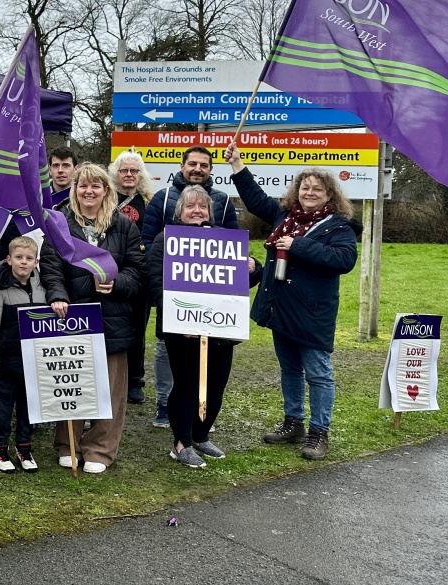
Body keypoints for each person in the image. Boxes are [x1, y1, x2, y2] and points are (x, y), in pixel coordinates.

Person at [224, 143, 357, 460]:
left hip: (312, 314)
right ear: (297, 191)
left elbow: (343, 259)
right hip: (280, 308)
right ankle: (293, 422)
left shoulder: (339, 226)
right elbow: (255, 200)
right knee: (290, 371)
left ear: (329, 195)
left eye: (317, 189)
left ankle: (318, 432)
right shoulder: (284, 215)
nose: (310, 193)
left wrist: (297, 246)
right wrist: (237, 165)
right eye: (305, 187)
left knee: (319, 374)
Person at [40, 163, 145, 474]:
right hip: (74, 317)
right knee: (72, 381)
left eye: (96, 186)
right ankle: (67, 444)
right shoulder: (59, 225)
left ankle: (100, 447)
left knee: (111, 388)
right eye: (83, 186)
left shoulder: (124, 227)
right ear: (75, 190)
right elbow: (50, 267)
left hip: (113, 318)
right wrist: (58, 296)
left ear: (106, 191)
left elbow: (138, 272)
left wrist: (118, 283)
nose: (89, 191)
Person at [147, 186, 260, 468]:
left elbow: (241, 283)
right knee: (185, 386)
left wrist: (253, 267)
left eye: (202, 206)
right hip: (182, 331)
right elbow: (153, 284)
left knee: (215, 387)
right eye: (190, 206)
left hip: (220, 331)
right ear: (180, 212)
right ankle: (181, 443)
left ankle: (200, 436)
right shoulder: (166, 240)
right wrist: (179, 318)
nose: (197, 211)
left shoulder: (224, 240)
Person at [139, 146, 239, 414]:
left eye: (204, 165)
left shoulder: (223, 200)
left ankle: (199, 412)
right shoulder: (161, 198)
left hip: (211, 290)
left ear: (210, 170)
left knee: (207, 354)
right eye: (192, 163)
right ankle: (164, 403)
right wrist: (161, 274)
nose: (197, 169)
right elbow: (148, 241)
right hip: (173, 289)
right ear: (182, 166)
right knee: (166, 350)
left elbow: (232, 244)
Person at [0, 236, 53, 474]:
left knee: (28, 408)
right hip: (6, 362)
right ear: (9, 259)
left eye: (29, 259)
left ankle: (24, 446)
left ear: (36, 262)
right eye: (19, 258)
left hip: (34, 362)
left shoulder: (43, 288)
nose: (23, 263)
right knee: (2, 409)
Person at [108, 151, 161, 418]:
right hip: (109, 273)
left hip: (139, 275)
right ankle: (110, 380)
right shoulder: (105, 198)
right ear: (115, 173)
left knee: (138, 327)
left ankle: (135, 380)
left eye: (134, 171)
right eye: (124, 170)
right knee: (112, 326)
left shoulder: (151, 202)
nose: (129, 175)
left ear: (141, 175)